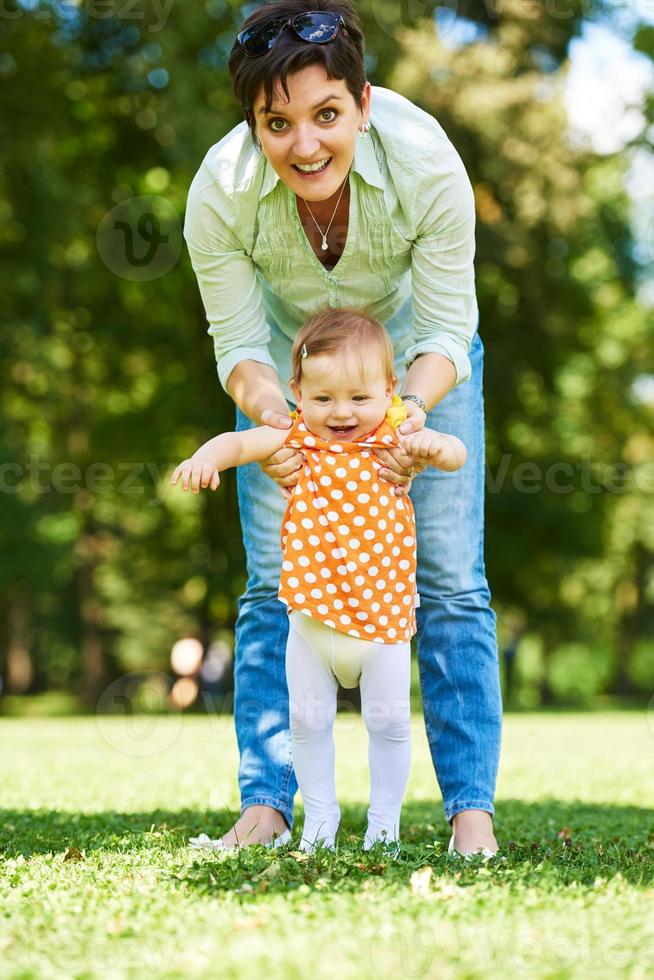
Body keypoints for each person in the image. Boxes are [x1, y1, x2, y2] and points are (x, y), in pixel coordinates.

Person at [183, 0, 503, 856]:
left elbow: (444, 329)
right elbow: (240, 343)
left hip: (417, 368)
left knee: (451, 584)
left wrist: (405, 419)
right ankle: (268, 804)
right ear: (253, 123)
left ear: (363, 103)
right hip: (292, 384)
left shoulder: (428, 162)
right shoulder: (219, 193)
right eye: (276, 123)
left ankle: (470, 812)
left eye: (327, 115)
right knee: (269, 588)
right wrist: (284, 428)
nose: (305, 145)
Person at [172, 309, 467, 853]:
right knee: (307, 722)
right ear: (297, 393)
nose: (342, 412)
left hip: (382, 620)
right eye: (324, 397)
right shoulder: (298, 435)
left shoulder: (396, 434)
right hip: (311, 615)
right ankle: (320, 823)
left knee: (389, 724)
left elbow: (457, 454)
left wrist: (434, 448)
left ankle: (383, 827)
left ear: (390, 390)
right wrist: (205, 457)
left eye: (359, 397)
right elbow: (237, 446)